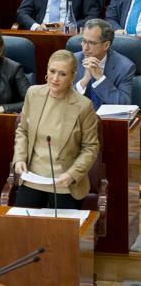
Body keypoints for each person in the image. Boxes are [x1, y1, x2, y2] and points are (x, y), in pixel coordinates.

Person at [13, 50, 99, 209]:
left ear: (72, 77)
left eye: (62, 74)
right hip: (33, 177)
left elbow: (90, 148)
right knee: (22, 229)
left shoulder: (84, 106)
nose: (55, 78)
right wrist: (19, 158)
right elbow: (22, 131)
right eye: (52, 71)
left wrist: (72, 174)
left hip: (65, 182)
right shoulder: (33, 94)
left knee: (62, 232)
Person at [73, 19, 135, 108]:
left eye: (91, 43)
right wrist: (84, 81)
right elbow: (63, 98)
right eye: (83, 41)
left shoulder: (125, 67)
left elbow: (124, 104)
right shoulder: (73, 60)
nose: (85, 48)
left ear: (106, 45)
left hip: (108, 120)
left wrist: (100, 79)